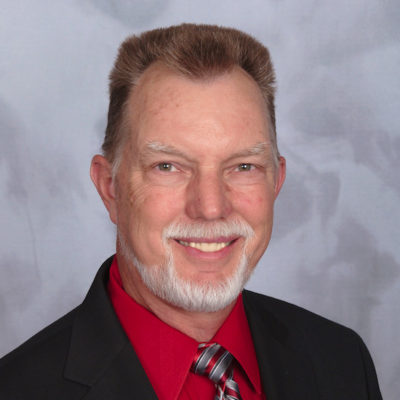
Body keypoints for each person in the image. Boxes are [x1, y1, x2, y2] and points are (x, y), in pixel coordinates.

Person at [0, 23, 382, 400]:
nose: (211, 207)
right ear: (109, 187)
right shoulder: (17, 389)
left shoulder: (342, 361)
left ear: (276, 182)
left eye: (243, 166)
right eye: (168, 166)